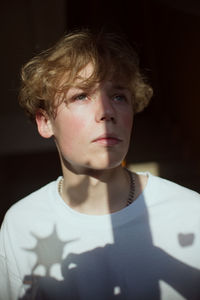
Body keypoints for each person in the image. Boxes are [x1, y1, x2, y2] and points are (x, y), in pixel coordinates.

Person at [0, 28, 200, 300]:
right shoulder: (22, 223)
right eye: (81, 95)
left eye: (119, 96)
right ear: (45, 121)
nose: (106, 112)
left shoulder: (190, 213)